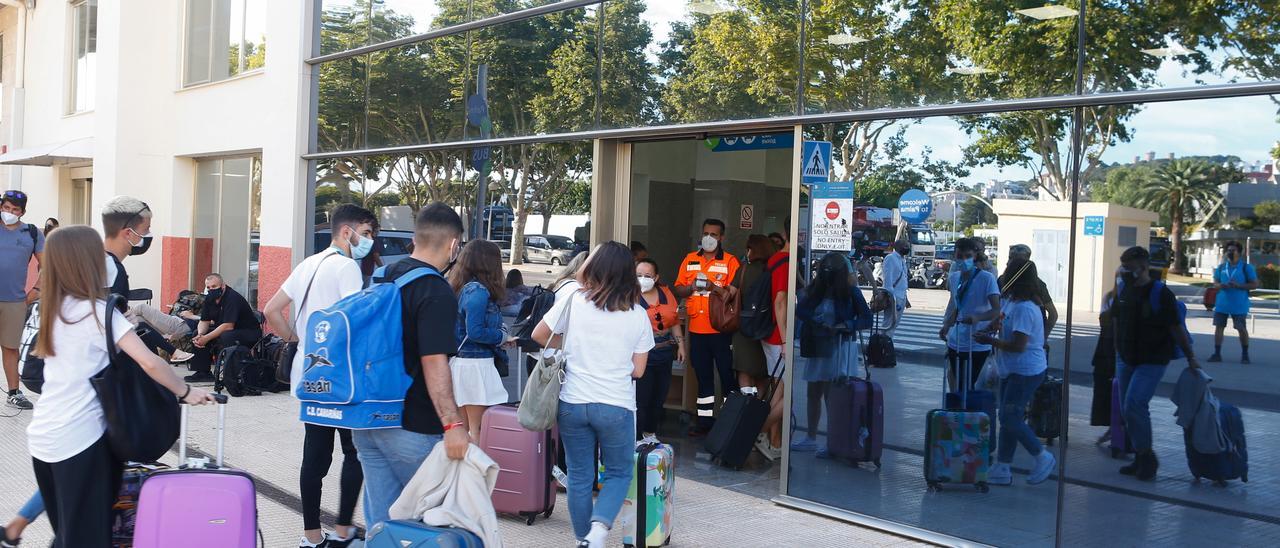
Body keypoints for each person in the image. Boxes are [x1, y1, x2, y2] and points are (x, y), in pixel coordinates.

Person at [27, 226, 215, 547]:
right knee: (87, 538)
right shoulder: (99, 313)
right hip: (81, 442)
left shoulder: (47, 310)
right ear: (87, 263)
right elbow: (151, 362)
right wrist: (186, 392)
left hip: (44, 439)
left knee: (69, 533)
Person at [263, 204, 375, 548]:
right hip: (341, 379)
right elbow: (356, 325)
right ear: (347, 232)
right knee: (354, 451)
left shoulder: (308, 264)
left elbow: (270, 310)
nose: (369, 241)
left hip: (309, 376)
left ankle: (312, 536)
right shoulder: (347, 268)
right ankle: (343, 531)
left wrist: (296, 340)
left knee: (315, 454)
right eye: (367, 234)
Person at [354, 203, 469, 528]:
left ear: (415, 239)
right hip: (413, 425)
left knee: (383, 522)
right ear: (453, 244)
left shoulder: (380, 277)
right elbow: (434, 362)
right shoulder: (434, 290)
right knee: (435, 521)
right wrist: (453, 424)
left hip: (369, 419)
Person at [532, 242, 654, 548]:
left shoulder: (574, 300)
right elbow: (638, 370)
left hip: (572, 402)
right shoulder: (638, 314)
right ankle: (598, 531)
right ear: (628, 274)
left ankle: (581, 539)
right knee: (618, 472)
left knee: (579, 475)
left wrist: (572, 345)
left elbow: (539, 335)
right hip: (615, 405)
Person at [1111, 246, 1199, 480]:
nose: (1125, 271)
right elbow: (1116, 318)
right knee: (1126, 410)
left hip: (1153, 359)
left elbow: (1175, 327)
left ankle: (1148, 458)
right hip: (1127, 357)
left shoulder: (1161, 293)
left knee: (1134, 404)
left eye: (1129, 267)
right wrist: (1117, 348)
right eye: (1123, 267)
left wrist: (1191, 357)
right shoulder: (1123, 289)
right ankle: (1140, 455)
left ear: (1143, 266)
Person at [975, 260, 1056, 486]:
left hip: (1026, 370)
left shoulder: (1025, 308)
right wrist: (990, 329)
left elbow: (1019, 345)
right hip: (1011, 369)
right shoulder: (1011, 302)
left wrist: (990, 340)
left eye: (1008, 270)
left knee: (1010, 416)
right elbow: (1001, 321)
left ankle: (1042, 456)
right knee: (1009, 417)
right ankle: (1002, 466)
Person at [794, 253, 872, 457]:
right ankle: (811, 437)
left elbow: (866, 318)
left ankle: (833, 440)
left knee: (832, 396)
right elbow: (801, 310)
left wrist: (844, 325)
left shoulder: (851, 292)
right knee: (813, 392)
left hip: (839, 345)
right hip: (818, 344)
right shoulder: (816, 290)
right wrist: (817, 321)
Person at [100, 196, 193, 363]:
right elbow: (116, 329)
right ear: (128, 232)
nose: (148, 235)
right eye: (146, 229)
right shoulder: (113, 270)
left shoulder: (92, 260)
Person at [673, 219, 741, 436]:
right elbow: (678, 289)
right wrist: (690, 287)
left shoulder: (730, 262)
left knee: (727, 376)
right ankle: (704, 423)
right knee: (703, 377)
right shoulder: (690, 259)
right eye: (705, 233)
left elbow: (734, 295)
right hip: (697, 329)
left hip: (721, 330)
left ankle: (729, 423)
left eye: (713, 234)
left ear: (722, 237)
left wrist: (714, 288)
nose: (708, 238)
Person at [448, 239, 512, 440]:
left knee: (464, 430)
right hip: (475, 366)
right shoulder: (478, 292)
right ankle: (474, 472)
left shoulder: (463, 287)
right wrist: (501, 336)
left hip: (463, 364)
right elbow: (475, 331)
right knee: (478, 430)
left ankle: (461, 471)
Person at [939, 238, 1001, 391]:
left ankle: (971, 412)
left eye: (968, 256)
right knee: (958, 383)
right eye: (959, 256)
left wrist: (977, 318)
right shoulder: (954, 278)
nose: (963, 260)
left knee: (972, 386)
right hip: (957, 340)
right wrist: (947, 325)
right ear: (954, 256)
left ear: (974, 256)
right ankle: (959, 411)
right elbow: (958, 306)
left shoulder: (987, 278)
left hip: (978, 342)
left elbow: (997, 310)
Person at [635, 258, 686, 441]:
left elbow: (674, 322)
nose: (643, 279)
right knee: (642, 399)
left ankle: (650, 433)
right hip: (641, 354)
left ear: (656, 277)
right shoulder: (629, 295)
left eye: (647, 276)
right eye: (639, 275)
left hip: (664, 352)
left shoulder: (665, 293)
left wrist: (680, 345)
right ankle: (636, 438)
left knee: (659, 397)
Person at [0, 190, 42, 410]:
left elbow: (47, 266)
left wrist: (36, 290)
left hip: (14, 301)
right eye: (6, 208)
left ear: (22, 212)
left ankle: (14, 392)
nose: (9, 213)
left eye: (15, 210)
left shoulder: (32, 233)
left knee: (10, 348)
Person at [185, 274, 262, 382]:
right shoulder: (209, 299)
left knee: (226, 335)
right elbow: (204, 321)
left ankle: (231, 374)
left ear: (223, 286)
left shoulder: (232, 298)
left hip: (248, 332)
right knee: (196, 333)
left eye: (214, 287)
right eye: (209, 288)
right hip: (226, 330)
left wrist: (206, 338)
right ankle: (203, 373)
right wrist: (201, 335)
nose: (211, 290)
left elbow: (228, 326)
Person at [756, 232, 791, 459]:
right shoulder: (785, 262)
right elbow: (780, 302)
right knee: (788, 395)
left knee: (778, 391)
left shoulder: (776, 259)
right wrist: (786, 339)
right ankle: (756, 432)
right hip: (778, 337)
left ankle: (773, 441)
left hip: (773, 335)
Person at [732, 236, 774, 395]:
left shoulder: (743, 270)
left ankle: (745, 405)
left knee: (744, 370)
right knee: (762, 375)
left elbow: (731, 293)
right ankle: (759, 409)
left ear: (752, 250)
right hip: (766, 326)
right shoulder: (771, 270)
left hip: (744, 326)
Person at [1208, 240, 1257, 364]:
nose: (1229, 253)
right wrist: (1220, 286)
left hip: (1239, 305)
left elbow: (1254, 284)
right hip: (1222, 304)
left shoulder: (1246, 267)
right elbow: (1215, 283)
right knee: (1219, 327)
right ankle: (1217, 353)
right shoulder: (1221, 267)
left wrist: (1239, 285)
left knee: (1241, 329)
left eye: (1232, 250)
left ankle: (1245, 354)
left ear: (1239, 253)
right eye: (1228, 250)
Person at [1002, 244, 1060, 348]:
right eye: (1010, 258)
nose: (1009, 263)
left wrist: (1043, 337)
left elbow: (1053, 314)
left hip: (1029, 344)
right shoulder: (1002, 280)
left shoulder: (1038, 285)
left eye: (1016, 260)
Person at [879, 239, 910, 337]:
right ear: (897, 247)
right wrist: (892, 297)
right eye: (905, 246)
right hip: (894, 296)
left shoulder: (902, 259)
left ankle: (887, 343)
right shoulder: (891, 258)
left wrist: (906, 298)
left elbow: (903, 279)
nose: (907, 248)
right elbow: (888, 279)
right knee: (889, 323)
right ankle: (881, 343)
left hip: (901, 296)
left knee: (894, 323)